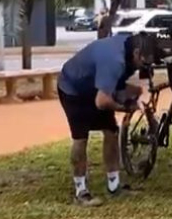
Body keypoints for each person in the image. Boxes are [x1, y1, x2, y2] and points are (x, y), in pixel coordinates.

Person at [57, 29, 153, 206]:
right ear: (137, 53)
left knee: (111, 132)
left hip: (96, 86)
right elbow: (102, 102)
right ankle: (81, 191)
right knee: (80, 138)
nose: (143, 66)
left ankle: (114, 185)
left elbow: (115, 87)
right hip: (73, 89)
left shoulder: (130, 44)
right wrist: (125, 108)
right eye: (144, 61)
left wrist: (134, 94)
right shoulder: (114, 61)